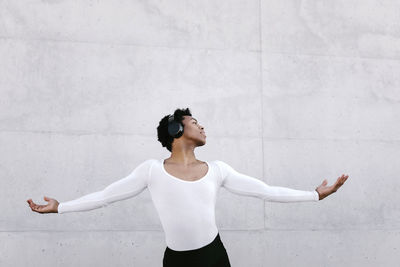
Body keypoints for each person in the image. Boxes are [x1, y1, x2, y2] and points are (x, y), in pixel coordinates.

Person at [27, 107, 349, 267]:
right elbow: (105, 196)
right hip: (177, 262)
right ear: (177, 128)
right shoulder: (151, 170)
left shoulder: (218, 170)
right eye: (195, 122)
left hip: (213, 256)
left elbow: (264, 190)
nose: (202, 125)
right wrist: (61, 207)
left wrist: (313, 195)